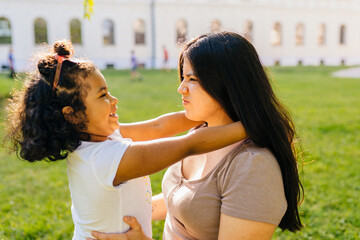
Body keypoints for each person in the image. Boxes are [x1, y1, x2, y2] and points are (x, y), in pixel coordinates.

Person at [5, 40, 247, 240]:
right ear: (73, 115)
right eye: (103, 95)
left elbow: (159, 126)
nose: (114, 99)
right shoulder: (103, 159)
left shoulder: (99, 138)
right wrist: (252, 125)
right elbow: (189, 145)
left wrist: (204, 112)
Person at [89, 31, 304, 240]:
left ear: (228, 83)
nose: (181, 88)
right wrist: (120, 217)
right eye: (183, 77)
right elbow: (185, 202)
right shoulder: (200, 133)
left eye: (192, 79)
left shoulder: (254, 166)